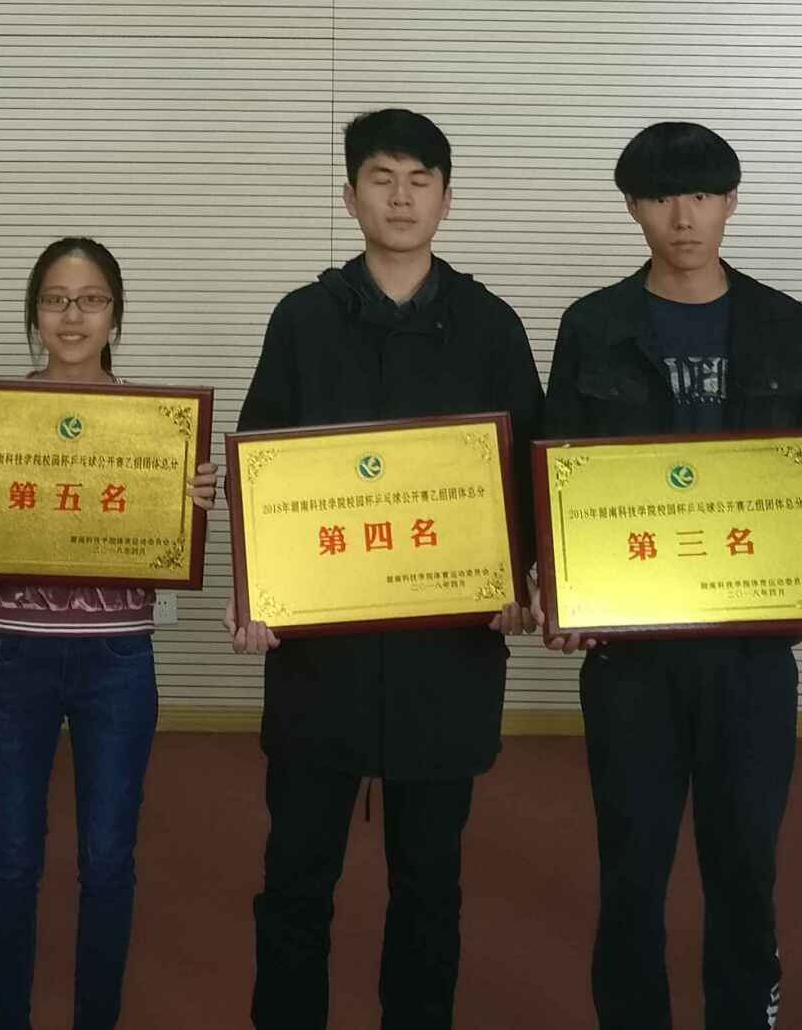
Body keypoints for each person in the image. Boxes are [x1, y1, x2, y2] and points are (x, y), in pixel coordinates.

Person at [539, 120, 802, 1030]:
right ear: (632, 207)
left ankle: (744, 1012)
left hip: (751, 649)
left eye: (700, 195)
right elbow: (556, 464)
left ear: (730, 202)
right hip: (631, 654)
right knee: (631, 866)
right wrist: (553, 580)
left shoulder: (783, 322)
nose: (681, 217)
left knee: (744, 862)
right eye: (659, 197)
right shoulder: (593, 325)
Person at [233, 108, 544, 1030]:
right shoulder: (301, 318)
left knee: (429, 885)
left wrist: (521, 577)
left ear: (446, 199)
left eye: (419, 181)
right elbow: (260, 467)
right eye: (381, 178)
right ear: (349, 197)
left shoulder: (490, 324)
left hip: (445, 658)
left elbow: (530, 473)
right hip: (318, 658)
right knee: (295, 879)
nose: (400, 198)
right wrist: (256, 592)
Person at [0, 236, 223, 1030]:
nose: (72, 315)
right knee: (11, 860)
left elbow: (168, 537)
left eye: (90, 299)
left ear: (115, 314)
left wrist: (190, 503)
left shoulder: (160, 429)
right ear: (33, 312)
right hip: (12, 653)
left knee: (107, 861)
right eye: (54, 298)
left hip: (119, 656)